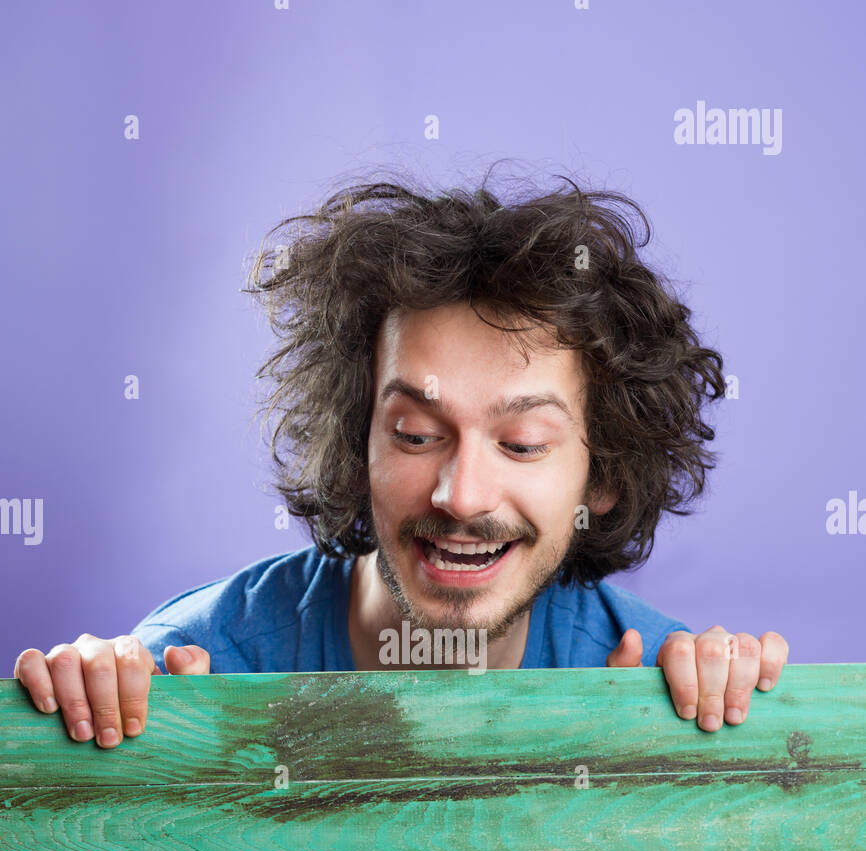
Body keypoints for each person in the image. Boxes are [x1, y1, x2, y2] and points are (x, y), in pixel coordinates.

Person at [14, 170, 788, 748]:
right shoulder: (201, 664)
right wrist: (90, 712)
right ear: (357, 449)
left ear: (605, 473)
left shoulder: (657, 683)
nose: (460, 494)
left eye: (521, 445)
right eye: (416, 435)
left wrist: (658, 783)